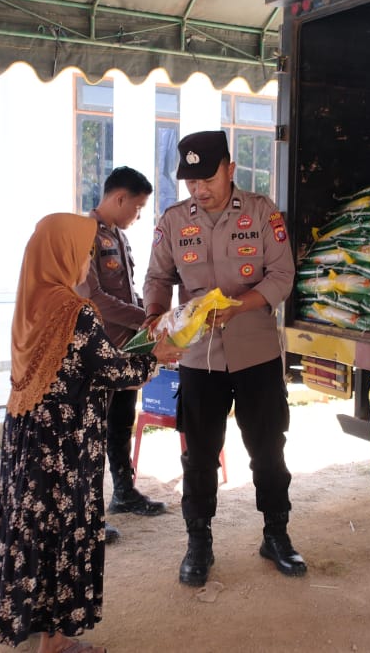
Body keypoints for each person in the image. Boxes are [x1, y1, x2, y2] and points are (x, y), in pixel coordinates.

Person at [0, 213, 185, 653]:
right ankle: (56, 641)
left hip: (28, 432)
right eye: (83, 254)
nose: (86, 264)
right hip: (64, 441)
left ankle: (30, 615)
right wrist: (158, 356)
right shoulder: (75, 312)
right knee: (63, 527)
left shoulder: (31, 300)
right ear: (63, 255)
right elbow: (112, 371)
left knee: (34, 525)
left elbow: (81, 363)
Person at [143, 130, 306, 587]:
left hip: (256, 352)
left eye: (207, 179)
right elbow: (157, 277)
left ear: (230, 170)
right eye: (191, 181)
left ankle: (276, 534)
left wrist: (240, 306)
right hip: (199, 358)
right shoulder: (174, 221)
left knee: (268, 449)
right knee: (198, 456)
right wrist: (155, 315)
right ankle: (198, 542)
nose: (199, 189)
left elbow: (282, 274)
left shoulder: (262, 212)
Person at [77, 167, 167, 527]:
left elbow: (127, 290)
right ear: (119, 198)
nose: (138, 215)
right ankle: (88, 514)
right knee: (93, 431)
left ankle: (124, 492)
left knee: (120, 424)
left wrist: (150, 316)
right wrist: (144, 316)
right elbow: (94, 298)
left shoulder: (119, 235)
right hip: (101, 351)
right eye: (138, 207)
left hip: (127, 349)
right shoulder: (85, 234)